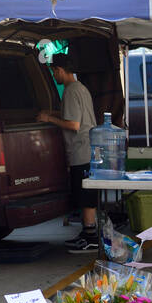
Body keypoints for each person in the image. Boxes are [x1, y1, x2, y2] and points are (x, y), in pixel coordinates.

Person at [37, 53, 98, 253]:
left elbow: (73, 124)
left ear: (61, 70)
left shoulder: (70, 91)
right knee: (86, 194)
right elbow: (71, 115)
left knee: (85, 195)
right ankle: (88, 233)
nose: (54, 76)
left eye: (54, 71)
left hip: (81, 150)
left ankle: (90, 236)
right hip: (89, 149)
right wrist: (54, 113)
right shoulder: (81, 88)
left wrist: (48, 118)